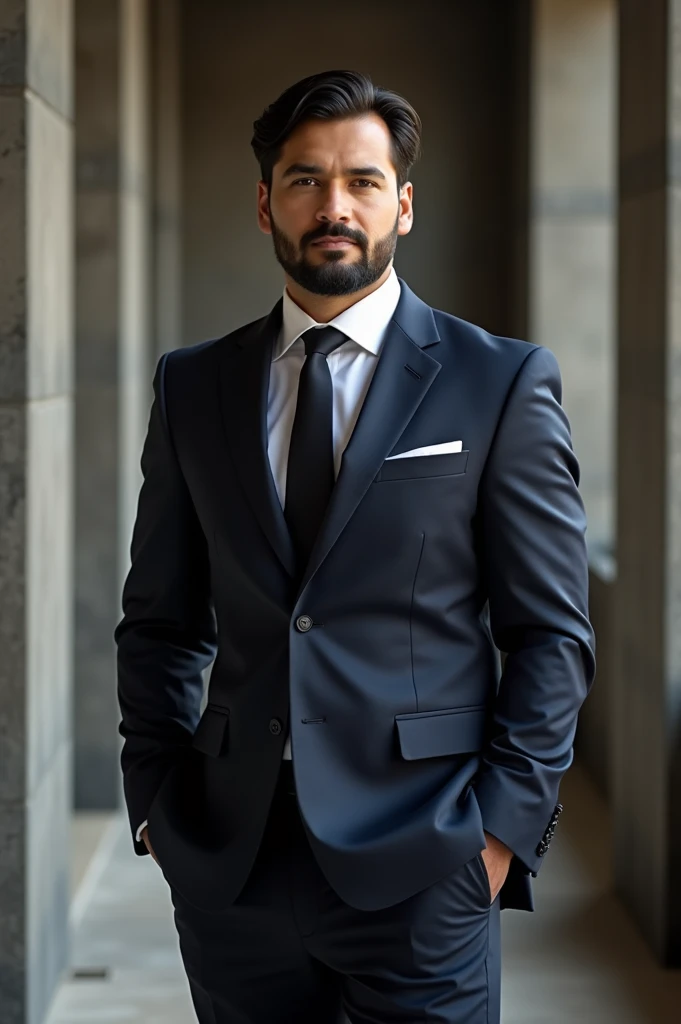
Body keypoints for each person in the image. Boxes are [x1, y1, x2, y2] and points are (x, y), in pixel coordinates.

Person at [115, 69, 595, 1024]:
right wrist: (155, 804)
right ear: (264, 203)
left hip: (426, 861)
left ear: (403, 206)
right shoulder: (194, 386)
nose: (333, 206)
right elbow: (162, 619)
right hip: (232, 861)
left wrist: (498, 834)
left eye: (362, 181)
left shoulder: (498, 383)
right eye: (304, 180)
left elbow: (552, 636)